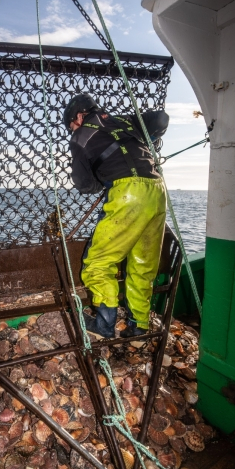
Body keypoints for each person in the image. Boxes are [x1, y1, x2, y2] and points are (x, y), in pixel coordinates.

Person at [63, 93, 169, 339]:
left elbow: (84, 184)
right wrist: (149, 138)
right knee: (143, 265)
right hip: (157, 190)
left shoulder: (79, 137)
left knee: (98, 263)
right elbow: (161, 119)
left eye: (71, 125)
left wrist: (102, 180)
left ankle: (103, 326)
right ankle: (139, 326)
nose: (72, 130)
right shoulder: (124, 121)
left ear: (79, 115)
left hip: (128, 194)